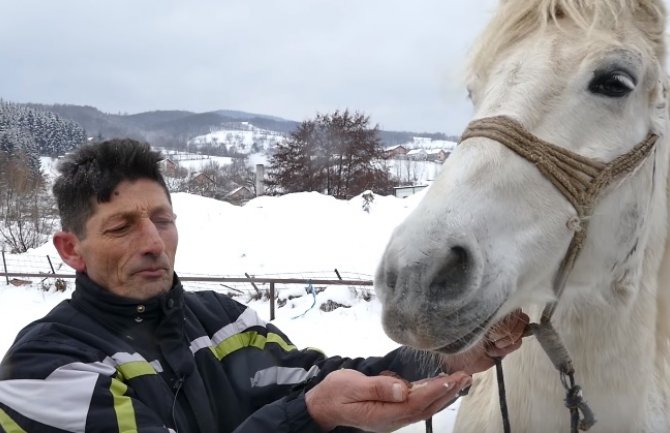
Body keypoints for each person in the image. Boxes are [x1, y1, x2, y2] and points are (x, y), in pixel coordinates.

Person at [0, 139, 528, 433]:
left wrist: (446, 357)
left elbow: (320, 380)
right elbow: (315, 402)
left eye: (162, 219)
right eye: (121, 227)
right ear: (70, 249)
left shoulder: (224, 321)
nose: (153, 243)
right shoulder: (45, 369)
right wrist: (311, 415)